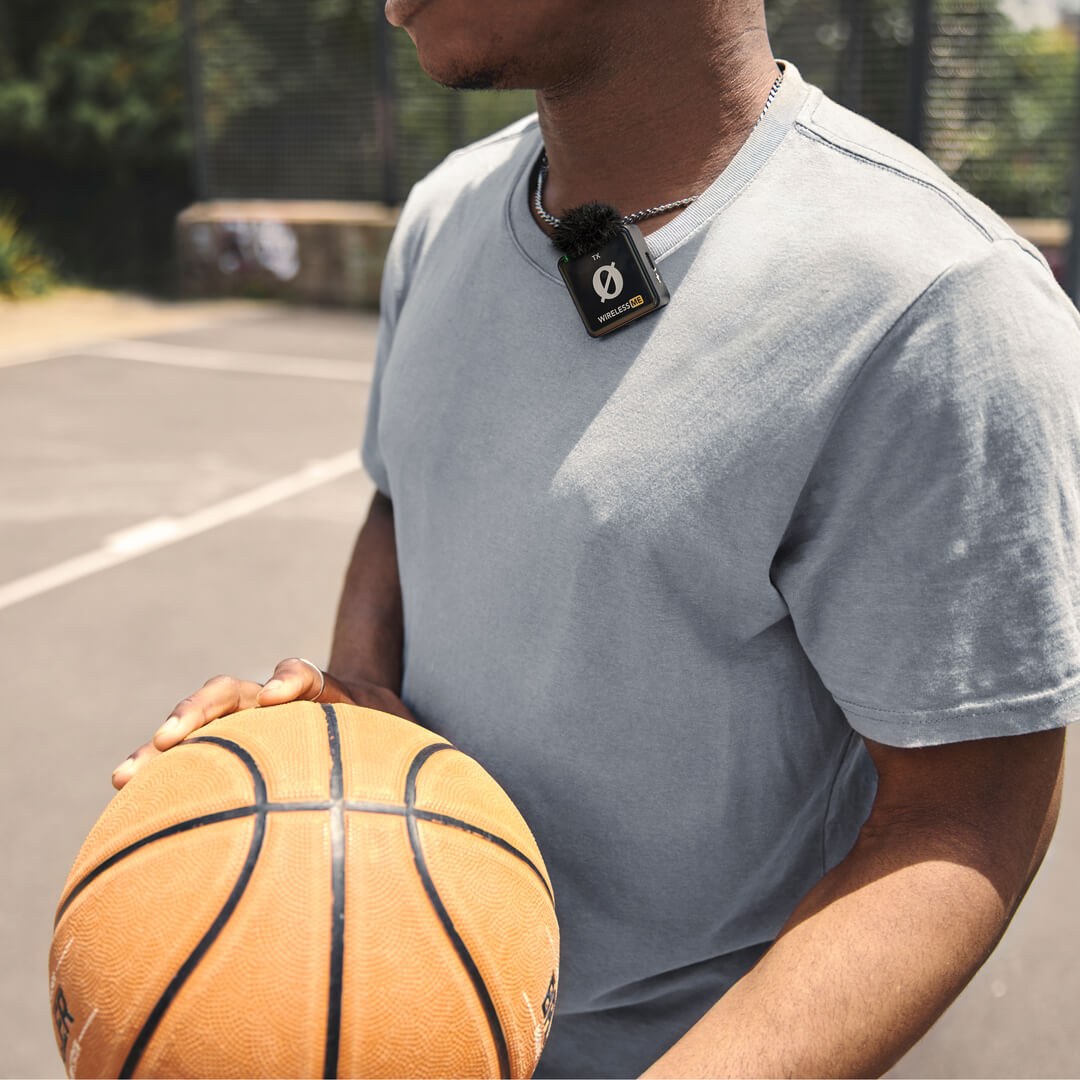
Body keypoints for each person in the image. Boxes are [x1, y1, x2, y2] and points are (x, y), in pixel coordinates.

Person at [112, 1, 1080, 1076]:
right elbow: (400, 503)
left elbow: (968, 816)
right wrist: (358, 714)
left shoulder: (936, 305)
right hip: (395, 1031)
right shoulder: (444, 214)